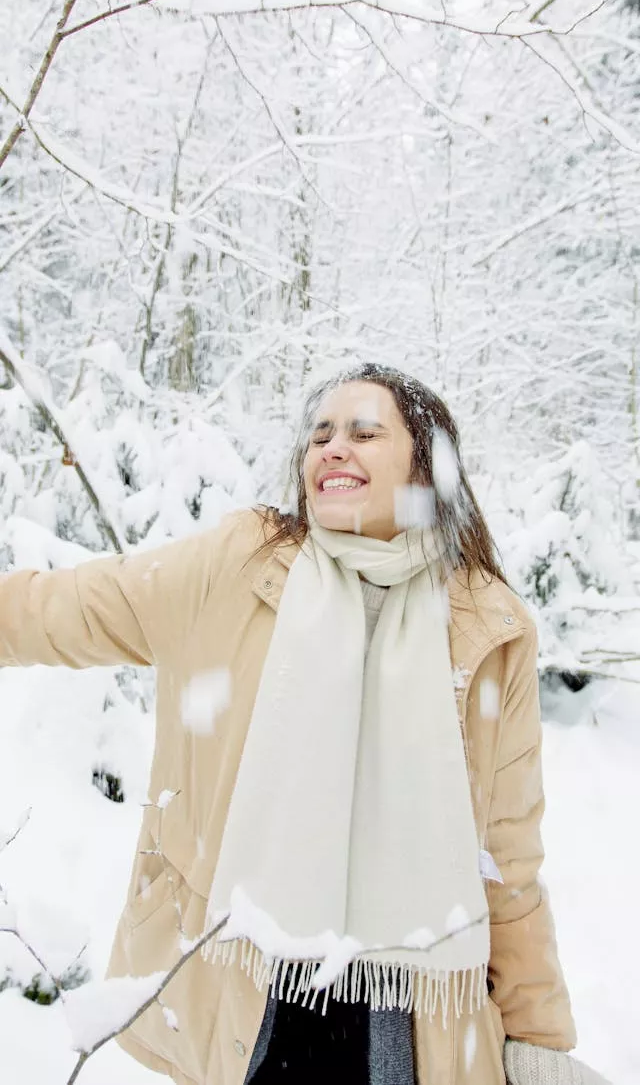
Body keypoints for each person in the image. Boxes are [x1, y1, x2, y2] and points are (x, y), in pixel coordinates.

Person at [0, 363, 611, 1085]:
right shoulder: (240, 566)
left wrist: (538, 1040)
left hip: (407, 1021)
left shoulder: (488, 628)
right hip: (248, 995)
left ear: (425, 464)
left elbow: (507, 863)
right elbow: (76, 607)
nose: (332, 448)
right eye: (320, 435)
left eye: (363, 433)